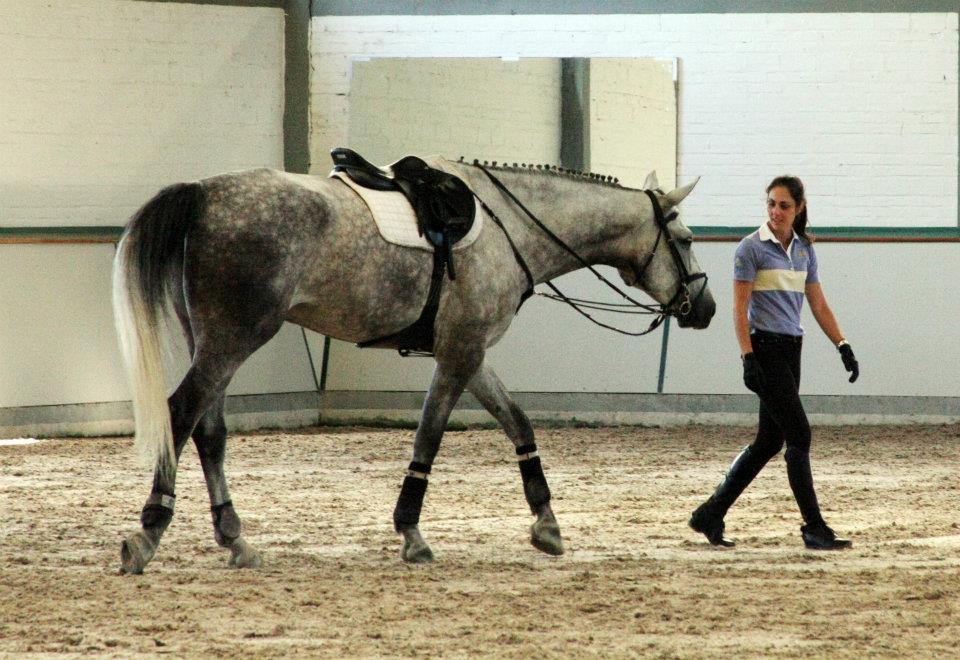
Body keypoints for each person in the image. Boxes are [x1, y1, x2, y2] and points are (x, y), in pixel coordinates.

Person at [689, 175, 859, 550]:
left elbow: (817, 302)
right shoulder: (750, 249)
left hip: (791, 349)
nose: (775, 211)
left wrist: (842, 344)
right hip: (764, 350)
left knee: (769, 440)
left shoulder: (804, 250)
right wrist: (747, 357)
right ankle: (814, 527)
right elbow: (739, 308)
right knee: (799, 435)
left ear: (798, 209)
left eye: (784, 205)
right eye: (771, 204)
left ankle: (710, 514)